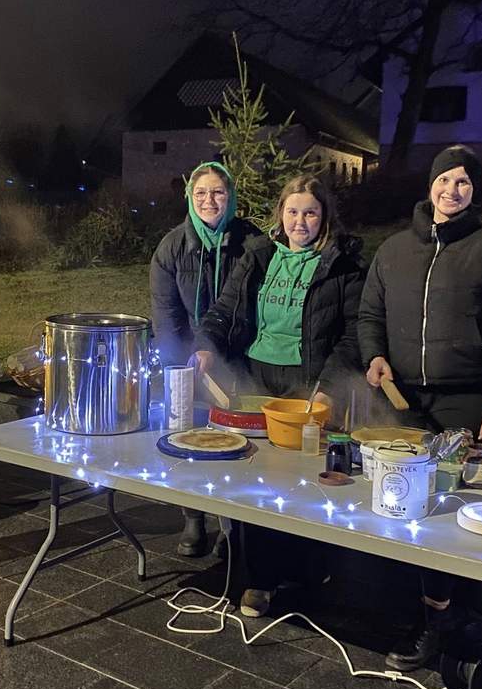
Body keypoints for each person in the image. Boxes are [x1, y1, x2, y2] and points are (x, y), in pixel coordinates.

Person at [358, 144, 482, 670]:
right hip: (403, 400)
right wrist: (374, 356)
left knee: (445, 511)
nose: (451, 190)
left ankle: (439, 619)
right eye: (444, 180)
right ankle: (405, 602)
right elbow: (370, 315)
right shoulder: (394, 250)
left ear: (474, 191)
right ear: (429, 185)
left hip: (465, 398)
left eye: (462, 182)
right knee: (396, 500)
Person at [193, 174, 365, 617]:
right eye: (292, 211)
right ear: (280, 214)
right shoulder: (259, 256)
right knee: (257, 480)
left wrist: (329, 386)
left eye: (310, 213)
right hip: (256, 381)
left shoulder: (341, 265)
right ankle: (260, 580)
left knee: (303, 481)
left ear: (324, 217)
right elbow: (224, 309)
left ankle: (308, 571)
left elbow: (353, 333)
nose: (299, 222)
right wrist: (207, 346)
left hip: (308, 385)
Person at [150, 161, 260, 556]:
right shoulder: (172, 247)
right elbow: (166, 315)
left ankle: (232, 527)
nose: (209, 200)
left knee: (236, 444)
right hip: (189, 362)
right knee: (191, 439)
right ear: (189, 197)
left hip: (239, 358)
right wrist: (180, 367)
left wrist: (227, 351)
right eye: (200, 193)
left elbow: (257, 305)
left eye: (218, 192)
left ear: (230, 197)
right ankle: (193, 517)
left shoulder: (251, 242)